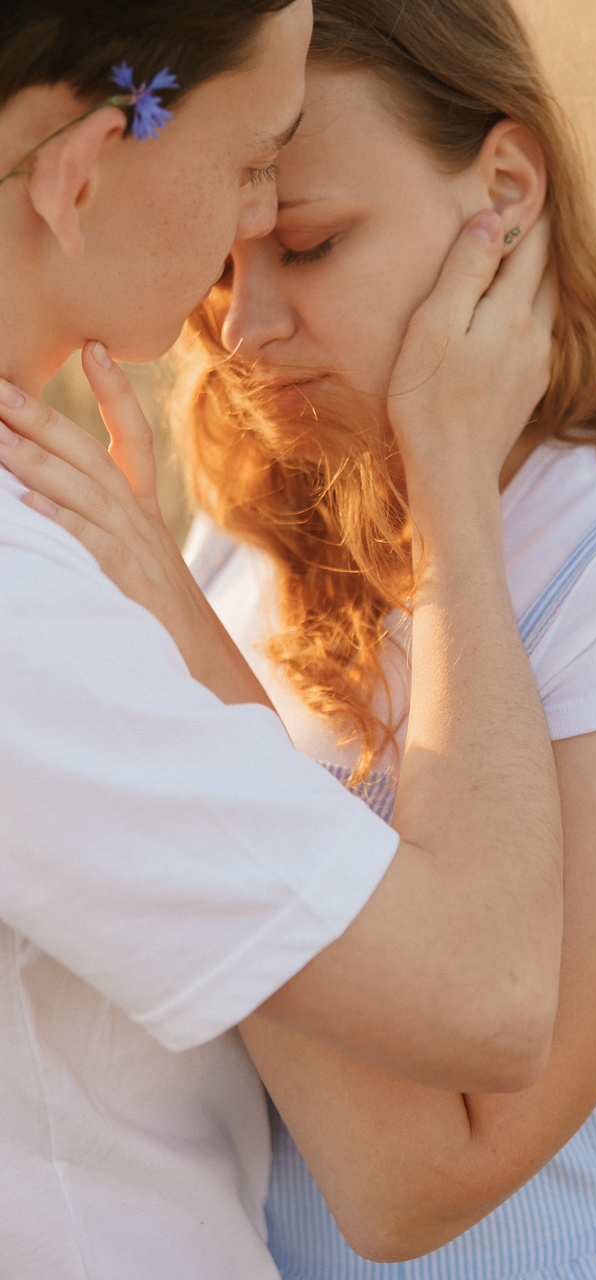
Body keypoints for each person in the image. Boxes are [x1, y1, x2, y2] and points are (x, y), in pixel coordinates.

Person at [0, 3, 565, 1276]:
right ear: (81, 171)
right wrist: (453, 485)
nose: (253, 218)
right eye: (258, 163)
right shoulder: (22, 612)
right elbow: (489, 989)